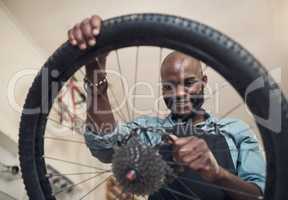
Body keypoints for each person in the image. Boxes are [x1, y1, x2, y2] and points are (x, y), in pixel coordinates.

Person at [68, 15, 266, 200]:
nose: (179, 93)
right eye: (169, 86)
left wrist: (218, 174)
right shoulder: (148, 129)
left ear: (204, 81)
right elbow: (104, 145)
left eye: (188, 83)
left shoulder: (236, 130)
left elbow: (260, 194)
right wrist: (95, 71)